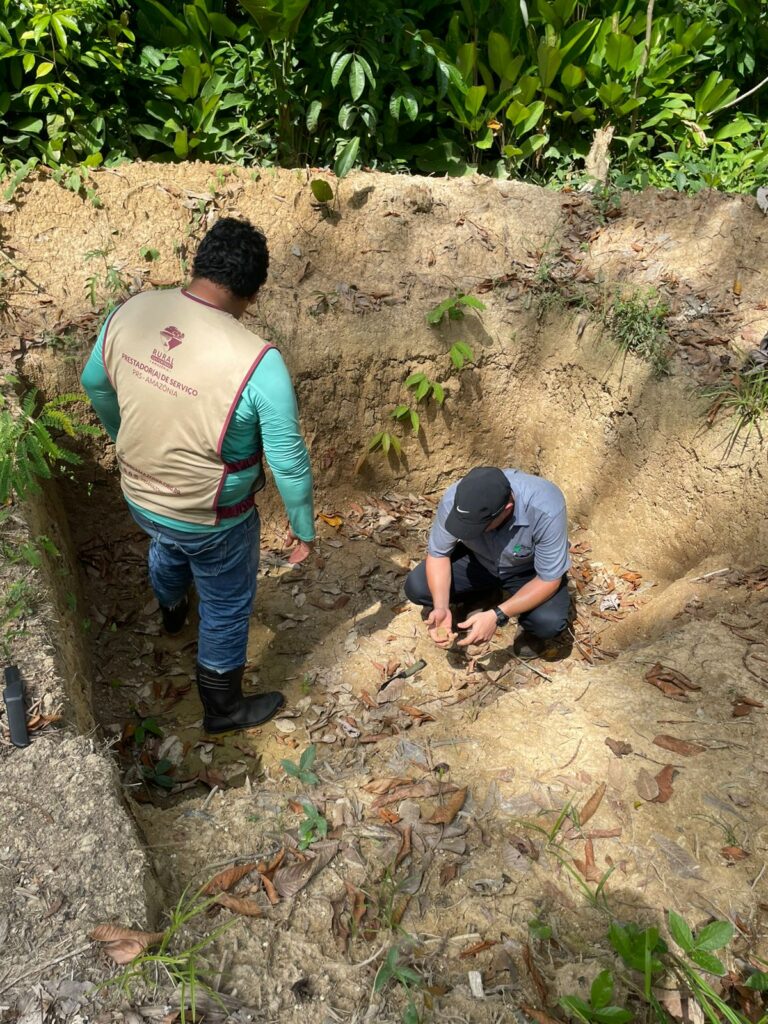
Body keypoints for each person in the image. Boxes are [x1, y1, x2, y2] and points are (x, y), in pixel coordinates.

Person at [81, 217, 315, 734]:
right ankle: (223, 708)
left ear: (198, 263)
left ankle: (171, 610)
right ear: (253, 293)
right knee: (226, 604)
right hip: (212, 517)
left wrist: (123, 437)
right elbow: (288, 461)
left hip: (139, 495)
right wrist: (303, 527)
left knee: (167, 543)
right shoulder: (257, 362)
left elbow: (94, 381)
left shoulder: (132, 311)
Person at [404, 466, 570, 656]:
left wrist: (497, 615)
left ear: (506, 510)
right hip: (478, 561)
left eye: (476, 528)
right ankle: (484, 595)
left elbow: (548, 580)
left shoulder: (546, 507)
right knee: (417, 587)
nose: (469, 532)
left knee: (548, 623)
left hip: (527, 571)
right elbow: (438, 555)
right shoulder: (456, 500)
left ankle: (528, 629)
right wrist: (441, 607)